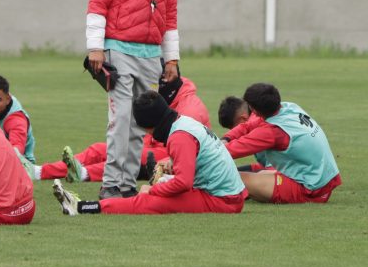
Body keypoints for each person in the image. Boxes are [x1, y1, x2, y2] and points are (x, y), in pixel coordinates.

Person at [86, 0, 180, 200]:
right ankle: (112, 182)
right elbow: (97, 3)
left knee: (141, 123)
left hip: (151, 56)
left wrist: (172, 58)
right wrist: (95, 48)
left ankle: (126, 184)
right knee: (121, 118)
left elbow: (170, 17)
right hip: (118, 51)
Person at [52, 91, 246, 216]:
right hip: (226, 195)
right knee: (158, 189)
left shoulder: (179, 136)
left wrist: (151, 189)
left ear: (151, 125)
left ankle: (80, 207)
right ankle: (81, 204)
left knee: (148, 201)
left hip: (222, 201)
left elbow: (184, 183)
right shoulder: (183, 122)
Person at [25, 75, 209, 183]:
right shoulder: (168, 99)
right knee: (102, 149)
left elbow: (185, 147)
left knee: (120, 153)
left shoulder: (190, 108)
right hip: (162, 151)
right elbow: (148, 134)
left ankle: (81, 173)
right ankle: (41, 171)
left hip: (174, 155)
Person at [221, 83, 342, 204]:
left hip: (310, 190)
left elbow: (231, 150)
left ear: (254, 110)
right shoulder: (289, 107)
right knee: (262, 173)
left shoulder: (271, 132)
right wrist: (227, 138)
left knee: (231, 177)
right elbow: (248, 125)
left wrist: (209, 148)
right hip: (324, 182)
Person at [217, 95, 269, 172]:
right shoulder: (261, 114)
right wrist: (226, 138)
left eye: (234, 128)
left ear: (243, 118)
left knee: (229, 179)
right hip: (275, 169)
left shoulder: (259, 129)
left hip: (284, 176)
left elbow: (273, 170)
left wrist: (215, 152)